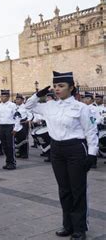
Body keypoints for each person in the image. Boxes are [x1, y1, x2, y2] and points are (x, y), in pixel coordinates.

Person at [25, 71, 98, 240]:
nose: (57, 89)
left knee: (77, 189)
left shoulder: (81, 107)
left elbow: (91, 131)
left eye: (61, 86)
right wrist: (38, 95)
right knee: (64, 189)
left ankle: (80, 228)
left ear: (71, 88)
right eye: (55, 86)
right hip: (56, 149)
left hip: (75, 149)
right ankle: (68, 225)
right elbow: (26, 107)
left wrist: (92, 153)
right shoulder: (50, 106)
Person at [0, 90, 17, 170]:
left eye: (4, 96)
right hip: (1, 126)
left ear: (8, 97)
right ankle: (8, 162)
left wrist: (16, 128)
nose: (2, 98)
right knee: (4, 145)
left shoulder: (13, 105)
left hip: (10, 126)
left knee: (10, 145)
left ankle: (12, 162)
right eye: (2, 96)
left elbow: (17, 117)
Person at [14, 94, 30, 159]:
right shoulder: (15, 107)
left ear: (22, 100)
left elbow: (30, 115)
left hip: (23, 123)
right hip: (17, 123)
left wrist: (28, 120)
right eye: (16, 99)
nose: (17, 101)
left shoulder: (25, 107)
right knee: (18, 139)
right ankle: (19, 152)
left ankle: (24, 153)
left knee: (24, 139)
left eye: (18, 99)